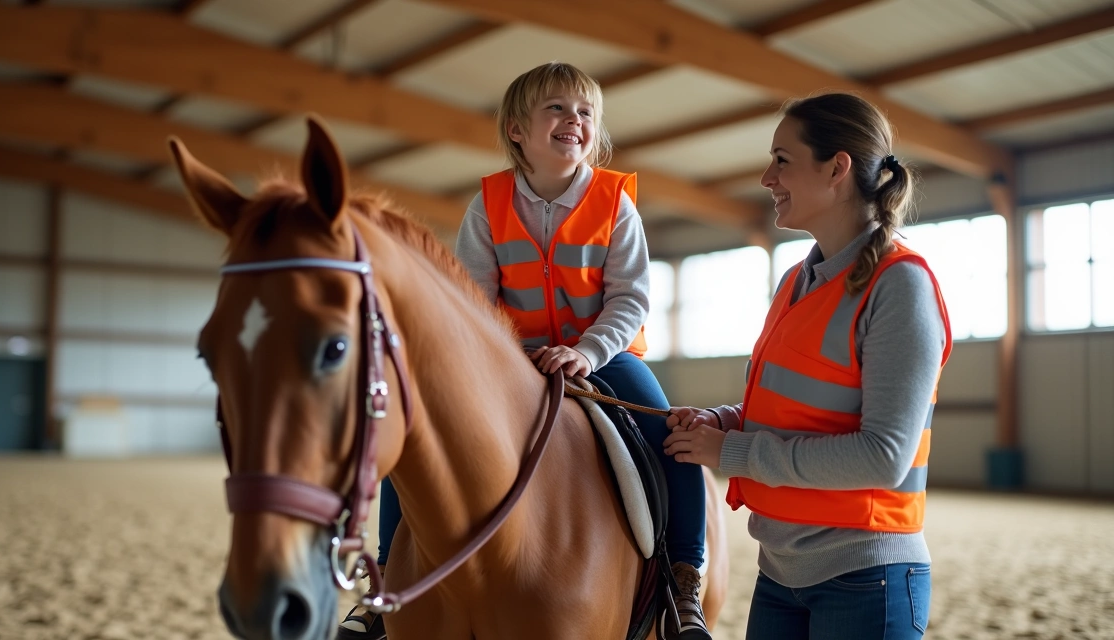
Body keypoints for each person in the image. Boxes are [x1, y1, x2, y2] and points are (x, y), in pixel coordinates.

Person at [339, 61, 711, 640]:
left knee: (670, 437)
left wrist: (588, 351)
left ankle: (683, 579)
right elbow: (475, 301)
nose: (575, 121)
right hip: (510, 362)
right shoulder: (487, 205)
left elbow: (631, 298)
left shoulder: (616, 203)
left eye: (586, 112)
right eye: (557, 109)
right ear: (517, 130)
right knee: (416, 432)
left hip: (606, 356)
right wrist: (501, 360)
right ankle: (387, 577)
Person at [662, 92, 952, 640]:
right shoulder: (797, 280)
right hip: (779, 572)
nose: (767, 177)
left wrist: (731, 451)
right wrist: (723, 420)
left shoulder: (900, 286)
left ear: (837, 168)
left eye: (782, 160)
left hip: (869, 578)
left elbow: (884, 457)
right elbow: (790, 409)